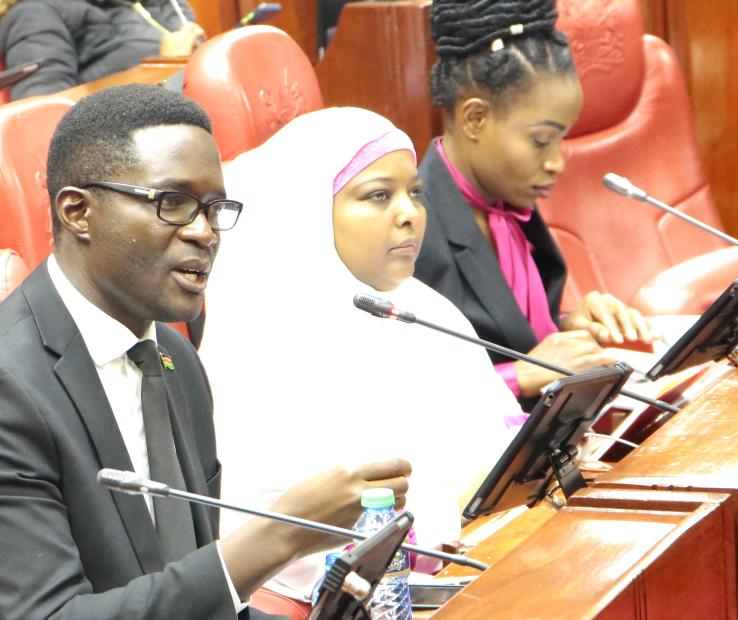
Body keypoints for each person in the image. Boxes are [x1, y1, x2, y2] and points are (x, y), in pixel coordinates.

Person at [0, 84, 411, 619]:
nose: (204, 233)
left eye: (214, 208)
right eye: (173, 204)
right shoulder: (11, 385)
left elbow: (194, 599)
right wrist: (277, 538)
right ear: (79, 212)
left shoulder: (174, 358)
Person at [200, 106, 521, 603]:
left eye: (415, 192)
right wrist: (463, 502)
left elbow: (505, 442)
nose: (410, 212)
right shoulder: (264, 341)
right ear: (307, 212)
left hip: (493, 558)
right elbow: (316, 549)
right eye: (378, 196)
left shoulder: (418, 307)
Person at [414, 0, 653, 408]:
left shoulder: (507, 200)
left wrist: (573, 327)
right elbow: (406, 390)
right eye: (541, 141)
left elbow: (510, 334)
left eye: (562, 140)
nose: (557, 162)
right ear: (474, 119)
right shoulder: (412, 228)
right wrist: (517, 376)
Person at [0, 0, 205, 100]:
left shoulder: (132, 4)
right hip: (135, 148)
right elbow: (40, 115)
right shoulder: (34, 14)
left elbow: (179, 19)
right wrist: (165, 68)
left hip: (197, 103)